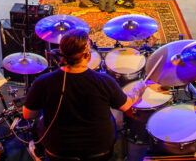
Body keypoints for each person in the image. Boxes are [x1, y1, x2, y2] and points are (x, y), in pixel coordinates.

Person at [23, 29, 146, 161]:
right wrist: (138, 89)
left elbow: (28, 115)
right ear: (87, 55)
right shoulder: (104, 81)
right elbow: (126, 105)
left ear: (61, 53)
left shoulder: (43, 82)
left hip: (59, 152)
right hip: (100, 151)